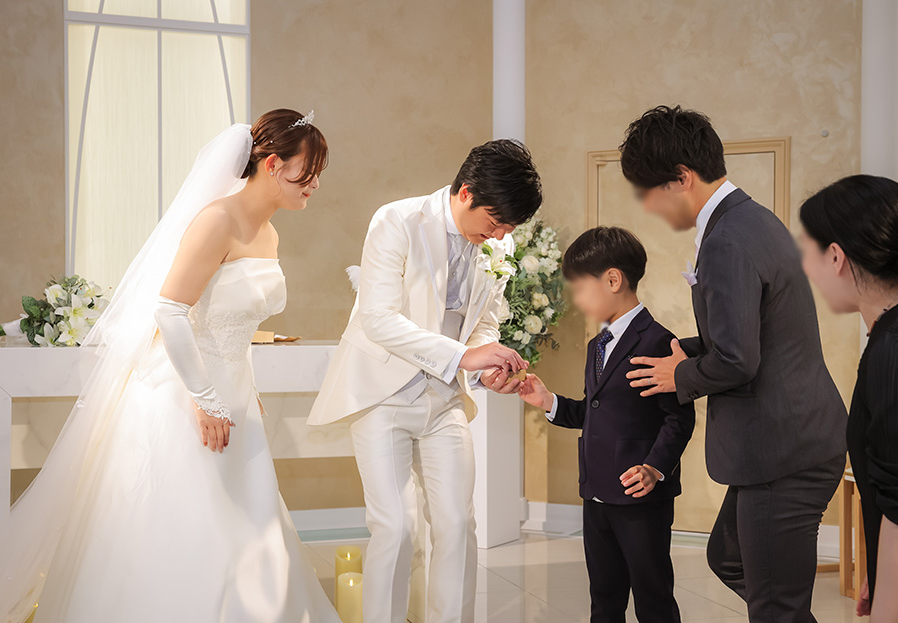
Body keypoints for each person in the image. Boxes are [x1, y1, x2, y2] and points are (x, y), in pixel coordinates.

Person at [0, 109, 341, 622]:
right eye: (307, 172)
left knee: (250, 520)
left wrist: (244, 388)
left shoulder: (269, 234)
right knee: (189, 521)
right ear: (272, 165)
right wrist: (206, 398)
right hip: (184, 392)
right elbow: (171, 311)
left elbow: (233, 326)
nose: (314, 185)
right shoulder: (217, 220)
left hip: (234, 394)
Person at [618, 105, 847, 622]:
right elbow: (753, 332)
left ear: (682, 177)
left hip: (783, 449)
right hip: (794, 435)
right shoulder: (752, 218)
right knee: (729, 558)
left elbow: (738, 360)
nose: (648, 206)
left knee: (775, 606)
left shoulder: (726, 240)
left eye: (649, 192)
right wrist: (683, 350)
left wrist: (676, 375)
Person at [307, 140, 541, 623]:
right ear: (466, 192)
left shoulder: (498, 243)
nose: (500, 235)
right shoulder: (397, 221)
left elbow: (485, 321)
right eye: (496, 221)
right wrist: (464, 356)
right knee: (396, 528)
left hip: (445, 401)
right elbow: (378, 319)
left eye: (509, 228)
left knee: (457, 523)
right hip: (382, 396)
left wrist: (486, 364)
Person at [518, 226, 695, 623]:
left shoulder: (658, 342)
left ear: (613, 280)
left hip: (640, 495)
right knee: (603, 595)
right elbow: (594, 410)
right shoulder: (598, 345)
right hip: (596, 491)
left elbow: (679, 417)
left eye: (581, 289)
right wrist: (548, 402)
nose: (577, 300)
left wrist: (654, 468)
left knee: (653, 597)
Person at [799, 174, 898, 623]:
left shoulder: (895, 350)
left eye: (808, 254)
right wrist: (880, 567)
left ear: (835, 256)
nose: (807, 269)